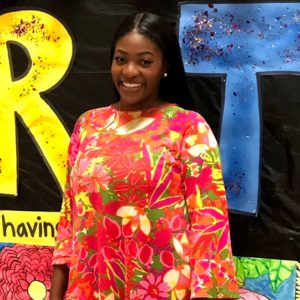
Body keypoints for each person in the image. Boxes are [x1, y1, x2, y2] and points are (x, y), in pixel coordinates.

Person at [50, 11, 240, 300]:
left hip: (163, 290)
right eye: (121, 59)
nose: (129, 72)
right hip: (91, 290)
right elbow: (69, 224)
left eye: (145, 62)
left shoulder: (187, 128)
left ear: (165, 66)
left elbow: (210, 231)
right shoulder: (88, 126)